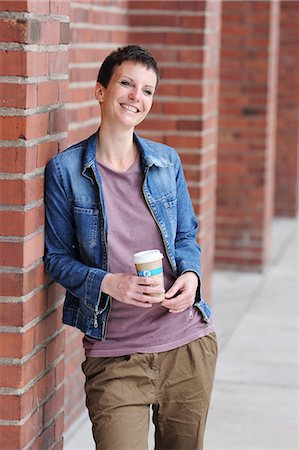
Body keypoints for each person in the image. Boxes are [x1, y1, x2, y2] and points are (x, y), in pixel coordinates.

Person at [45, 44, 217, 450]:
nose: (136, 98)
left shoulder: (166, 162)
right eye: (126, 84)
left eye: (147, 90)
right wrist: (108, 283)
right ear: (101, 90)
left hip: (186, 345)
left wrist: (191, 277)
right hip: (115, 353)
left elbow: (185, 237)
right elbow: (55, 258)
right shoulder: (67, 171)